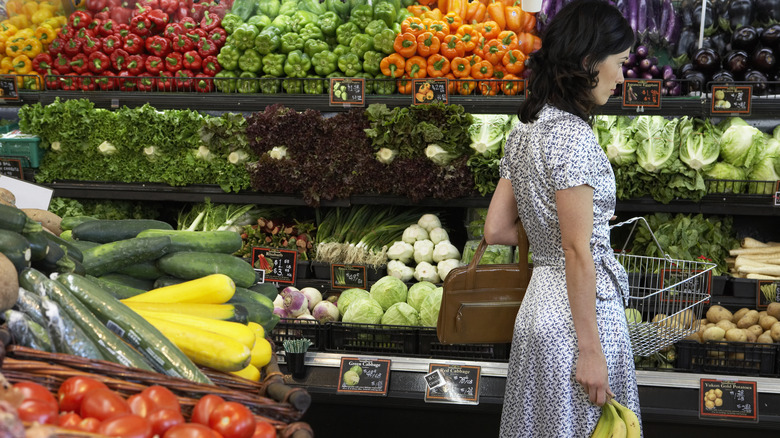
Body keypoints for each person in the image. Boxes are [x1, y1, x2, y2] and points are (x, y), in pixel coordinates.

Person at [483, 0, 641, 436]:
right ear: (590, 61)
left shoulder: (526, 129)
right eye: (620, 62)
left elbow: (495, 229)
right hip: (579, 322)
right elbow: (577, 248)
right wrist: (590, 351)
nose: (623, 76)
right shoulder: (573, 137)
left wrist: (546, 233)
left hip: (538, 309)